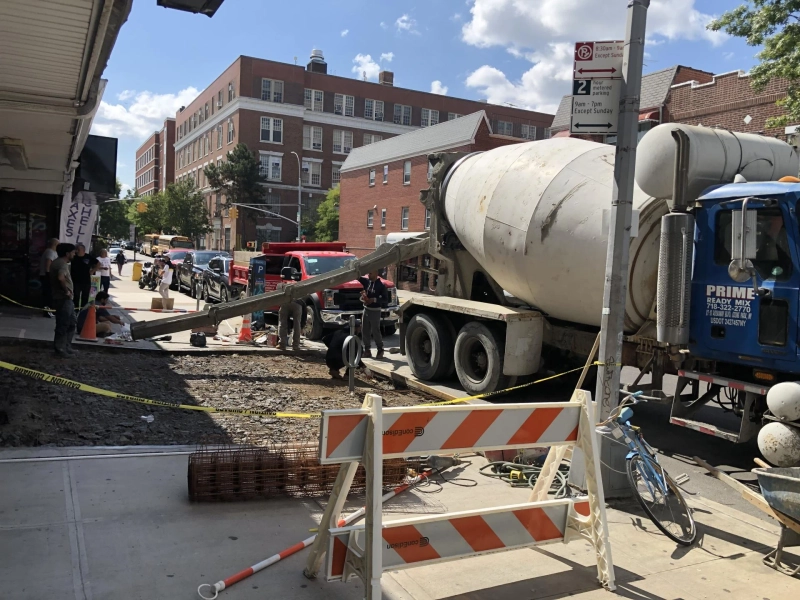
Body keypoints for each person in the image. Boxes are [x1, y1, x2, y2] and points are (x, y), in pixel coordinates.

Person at [50, 243, 77, 356]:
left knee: (71, 322)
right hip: (63, 298)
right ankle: (60, 349)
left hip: (65, 299)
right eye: (73, 252)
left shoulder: (58, 262)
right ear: (67, 253)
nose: (74, 254)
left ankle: (66, 346)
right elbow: (61, 278)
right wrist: (66, 291)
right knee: (64, 323)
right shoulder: (62, 264)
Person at [358, 270, 387, 359]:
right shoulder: (367, 282)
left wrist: (374, 300)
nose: (368, 275)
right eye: (368, 273)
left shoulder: (381, 286)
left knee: (375, 331)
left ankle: (380, 349)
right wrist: (363, 299)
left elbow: (385, 299)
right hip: (366, 309)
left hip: (375, 310)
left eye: (370, 273)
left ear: (375, 273)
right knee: (365, 330)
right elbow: (357, 277)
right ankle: (367, 350)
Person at [70, 243, 97, 309]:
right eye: (76, 249)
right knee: (76, 296)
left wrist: (93, 271)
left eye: (78, 249)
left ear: (83, 250)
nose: (77, 251)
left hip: (86, 280)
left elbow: (98, 263)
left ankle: (83, 310)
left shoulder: (88, 257)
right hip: (75, 280)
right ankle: (75, 310)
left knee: (85, 297)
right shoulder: (74, 257)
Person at [38, 237, 59, 318]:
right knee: (48, 294)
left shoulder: (53, 252)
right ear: (54, 244)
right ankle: (47, 311)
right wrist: (49, 274)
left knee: (50, 294)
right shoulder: (50, 252)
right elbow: (48, 264)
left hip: (49, 275)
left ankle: (49, 310)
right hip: (47, 275)